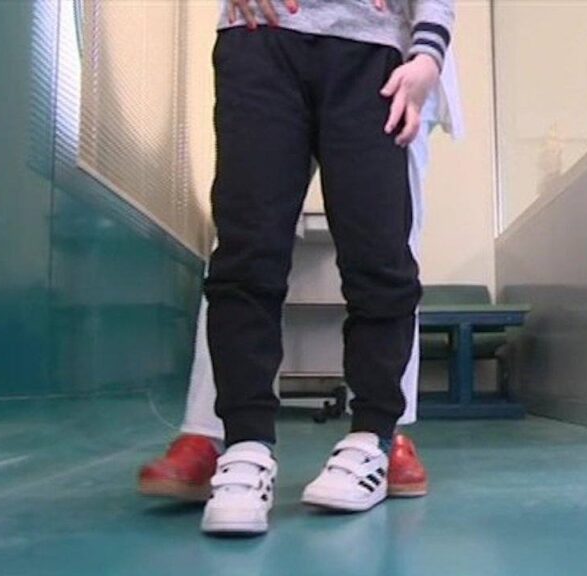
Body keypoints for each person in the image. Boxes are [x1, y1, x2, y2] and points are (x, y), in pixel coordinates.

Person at [148, 0, 454, 535]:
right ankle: (243, 447)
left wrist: (429, 53)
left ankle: (374, 438)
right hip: (260, 39)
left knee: (380, 255)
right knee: (247, 251)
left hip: (374, 51)